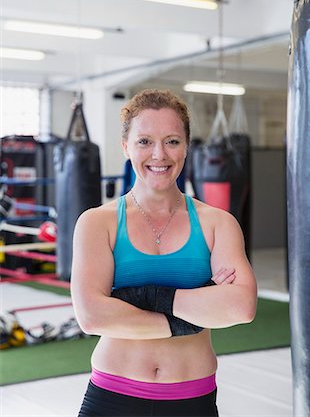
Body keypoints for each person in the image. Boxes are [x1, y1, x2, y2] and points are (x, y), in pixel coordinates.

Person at [71, 89, 257, 417]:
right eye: (144, 141)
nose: (159, 154)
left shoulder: (217, 223)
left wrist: (146, 298)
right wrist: (189, 314)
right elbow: (92, 316)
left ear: (186, 146)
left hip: (192, 397)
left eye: (172, 140)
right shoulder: (97, 222)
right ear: (126, 146)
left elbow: (240, 307)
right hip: (113, 394)